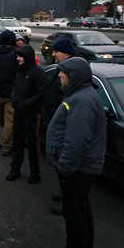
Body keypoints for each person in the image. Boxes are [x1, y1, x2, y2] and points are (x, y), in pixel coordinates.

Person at [44, 57, 106, 248]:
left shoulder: (81, 101)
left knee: (75, 215)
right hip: (80, 167)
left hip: (78, 169)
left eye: (63, 72)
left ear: (74, 76)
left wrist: (65, 168)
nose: (59, 75)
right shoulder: (80, 96)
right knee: (81, 210)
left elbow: (77, 139)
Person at [40, 38, 75, 215]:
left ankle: (68, 201)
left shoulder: (72, 72)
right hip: (55, 120)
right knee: (61, 165)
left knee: (67, 164)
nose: (52, 54)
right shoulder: (62, 68)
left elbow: (66, 98)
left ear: (67, 53)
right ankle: (64, 194)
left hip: (64, 125)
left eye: (56, 51)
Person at [6, 44, 47, 184]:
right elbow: (15, 87)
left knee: (32, 144)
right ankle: (15, 168)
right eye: (17, 56)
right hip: (18, 112)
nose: (18, 59)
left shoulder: (38, 72)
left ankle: (35, 172)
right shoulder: (19, 71)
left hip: (32, 114)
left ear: (27, 57)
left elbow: (42, 93)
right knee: (17, 141)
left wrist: (27, 103)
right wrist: (14, 98)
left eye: (20, 56)